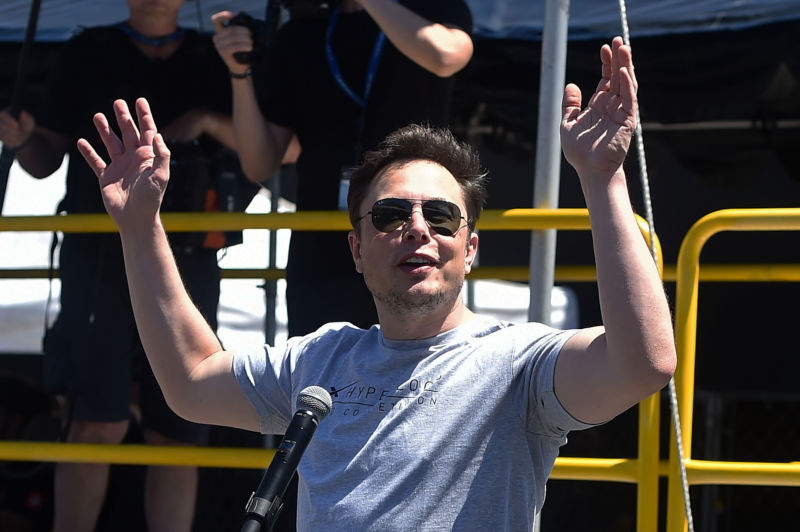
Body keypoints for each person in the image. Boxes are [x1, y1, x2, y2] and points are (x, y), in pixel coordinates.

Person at [77, 37, 677, 530]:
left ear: (469, 249)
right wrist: (139, 228)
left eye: (440, 216)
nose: (417, 229)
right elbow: (190, 382)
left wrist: (602, 182)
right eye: (391, 216)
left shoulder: (518, 363)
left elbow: (643, 364)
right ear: (357, 250)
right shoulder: (323, 356)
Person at [0, 1, 241, 531]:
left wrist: (203, 121)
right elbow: (44, 161)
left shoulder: (216, 55)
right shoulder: (87, 51)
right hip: (99, 258)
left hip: (191, 258)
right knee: (94, 420)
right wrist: (20, 140)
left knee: (182, 424)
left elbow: (269, 152)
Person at [210, 0, 474, 337]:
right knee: (319, 372)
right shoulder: (301, 32)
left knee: (412, 368)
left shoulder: (431, 10)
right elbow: (258, 163)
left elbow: (446, 57)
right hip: (322, 239)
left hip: (411, 232)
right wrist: (239, 73)